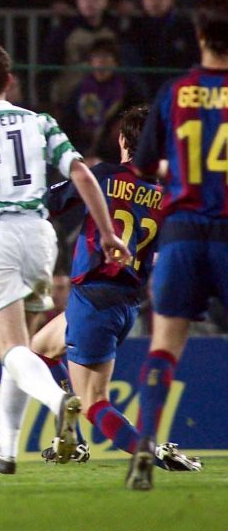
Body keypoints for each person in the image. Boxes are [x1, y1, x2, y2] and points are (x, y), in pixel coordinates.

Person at [0, 44, 130, 475]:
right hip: (38, 236)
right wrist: (108, 232)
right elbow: (81, 174)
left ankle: (59, 401)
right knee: (28, 348)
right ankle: (7, 447)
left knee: (12, 349)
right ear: (9, 80)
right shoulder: (38, 122)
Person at [30, 106, 200, 472]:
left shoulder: (104, 175)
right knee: (39, 350)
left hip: (93, 295)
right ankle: (69, 438)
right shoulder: (167, 194)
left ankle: (150, 450)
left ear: (122, 140)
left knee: (94, 402)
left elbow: (50, 203)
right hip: (125, 302)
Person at [126, 0, 228, 490]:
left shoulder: (176, 90)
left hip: (182, 235)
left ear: (200, 35)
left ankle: (144, 445)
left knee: (165, 345)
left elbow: (142, 165)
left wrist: (174, 169)